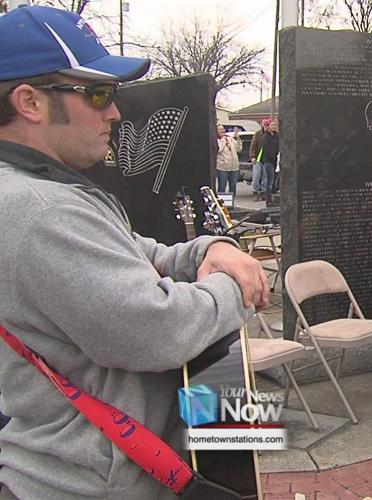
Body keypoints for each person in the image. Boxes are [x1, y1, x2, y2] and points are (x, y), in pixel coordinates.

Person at [0, 6, 269, 499]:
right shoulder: (41, 210)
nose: (115, 112)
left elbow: (129, 249)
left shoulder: (39, 191)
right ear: (29, 102)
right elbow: (157, 330)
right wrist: (234, 284)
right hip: (88, 484)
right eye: (97, 94)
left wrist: (208, 249)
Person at [215, 123, 241, 195]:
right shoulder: (216, 140)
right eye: (220, 129)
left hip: (234, 167)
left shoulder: (230, 138)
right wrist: (223, 141)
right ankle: (221, 202)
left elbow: (239, 149)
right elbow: (218, 150)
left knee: (233, 187)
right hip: (223, 167)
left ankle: (232, 203)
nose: (222, 130)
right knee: (222, 186)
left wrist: (238, 138)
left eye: (223, 129)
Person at [249, 118, 270, 201]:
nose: (266, 127)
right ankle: (256, 192)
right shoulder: (258, 134)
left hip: (267, 159)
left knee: (265, 177)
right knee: (256, 176)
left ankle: (263, 193)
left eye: (267, 125)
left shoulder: (270, 134)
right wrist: (252, 157)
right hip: (258, 158)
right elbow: (253, 146)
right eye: (265, 125)